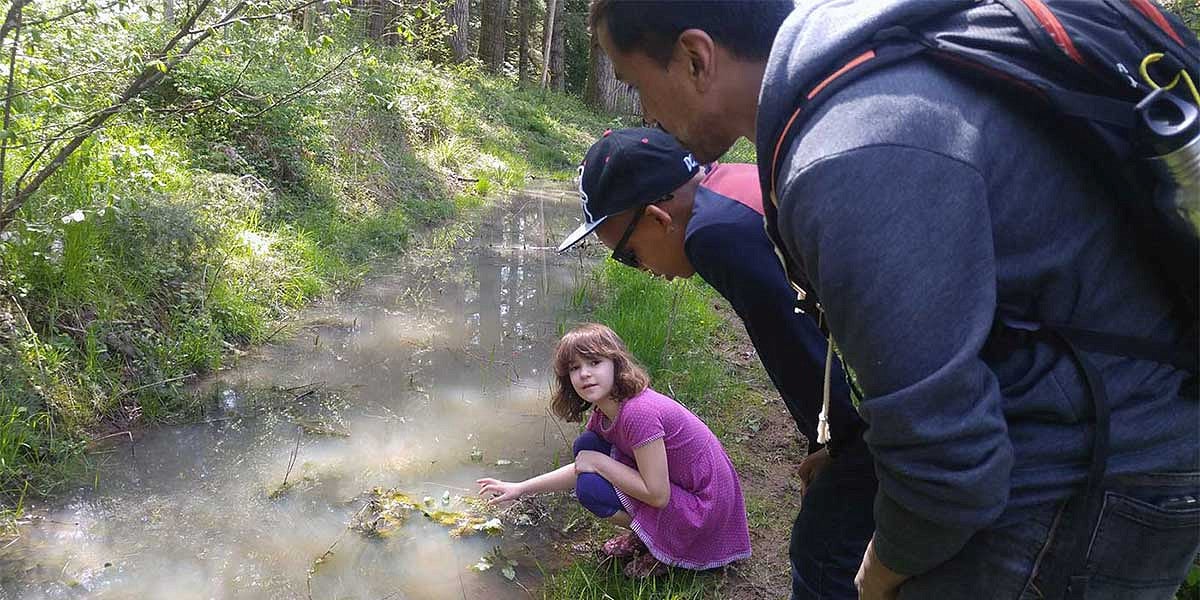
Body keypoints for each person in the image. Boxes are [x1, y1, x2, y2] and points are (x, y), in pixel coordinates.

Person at [587, 1, 1200, 599]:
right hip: (1089, 435)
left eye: (635, 84)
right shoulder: (855, 85)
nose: (648, 114)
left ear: (695, 59)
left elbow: (945, 452)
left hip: (1088, 479)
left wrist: (882, 567)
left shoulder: (853, 147)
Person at [556, 126, 876, 598]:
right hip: (897, 379)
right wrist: (822, 437)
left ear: (658, 218)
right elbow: (818, 336)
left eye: (628, 255)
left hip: (907, 394)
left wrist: (843, 444)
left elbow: (799, 352)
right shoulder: (727, 187)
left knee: (822, 554)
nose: (642, 268)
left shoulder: (715, 236)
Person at [476, 322, 751, 578]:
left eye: (594, 362)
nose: (584, 373)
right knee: (587, 447)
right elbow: (581, 465)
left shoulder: (638, 413)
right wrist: (520, 488)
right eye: (574, 368)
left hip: (705, 512)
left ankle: (663, 548)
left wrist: (600, 463)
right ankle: (649, 532)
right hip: (684, 493)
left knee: (591, 488)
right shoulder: (606, 412)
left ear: (616, 364)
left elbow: (657, 495)